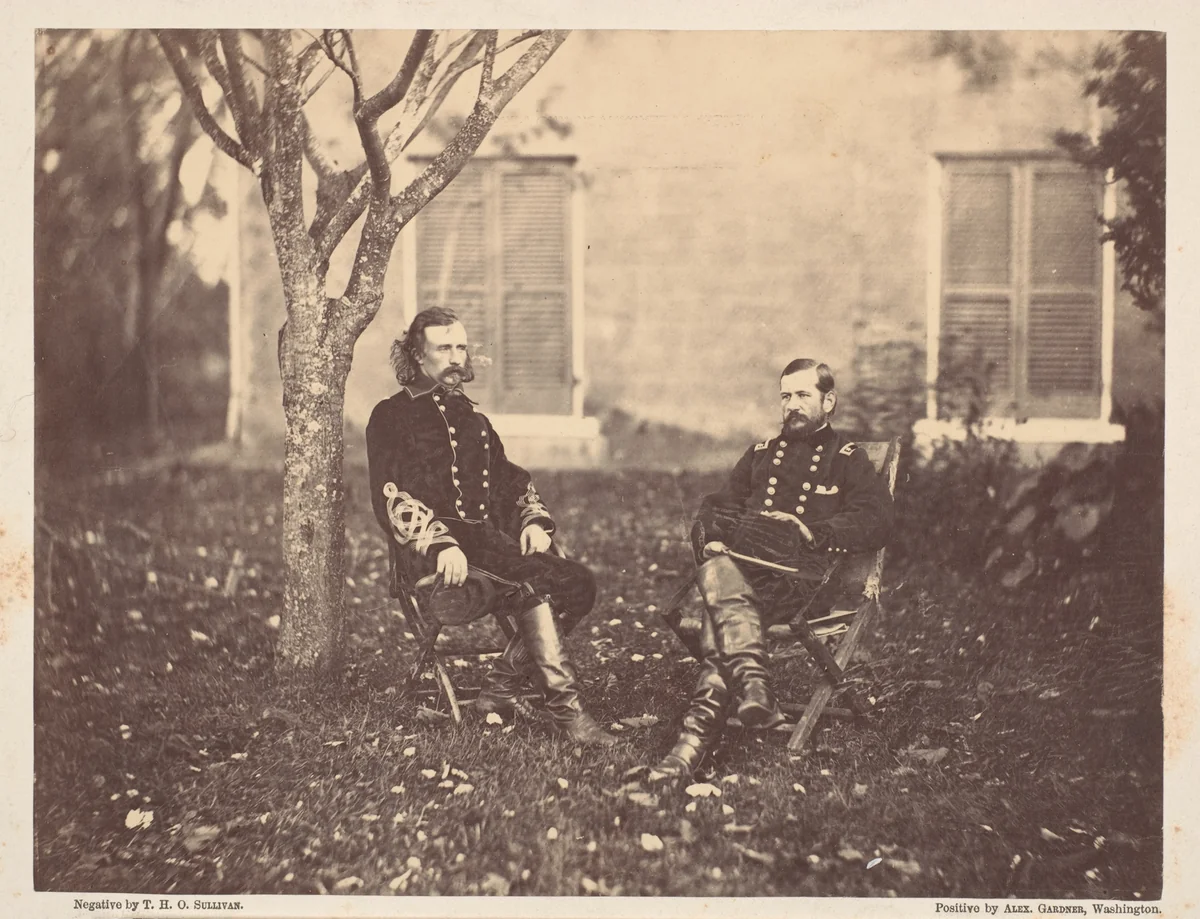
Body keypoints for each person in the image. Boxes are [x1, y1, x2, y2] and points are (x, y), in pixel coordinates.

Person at [366, 307, 616, 747]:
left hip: (487, 547)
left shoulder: (474, 421)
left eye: (461, 347)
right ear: (416, 355)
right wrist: (440, 544)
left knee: (579, 583)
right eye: (444, 348)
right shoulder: (392, 416)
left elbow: (508, 480)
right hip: (432, 559)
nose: (456, 358)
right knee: (534, 583)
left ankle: (497, 692)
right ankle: (568, 713)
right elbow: (391, 495)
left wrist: (532, 519)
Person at [651, 358, 894, 778]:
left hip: (802, 585)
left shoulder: (847, 458)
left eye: (803, 395)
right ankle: (752, 687)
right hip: (745, 573)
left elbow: (877, 518)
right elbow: (718, 506)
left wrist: (812, 530)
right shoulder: (761, 454)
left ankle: (690, 747)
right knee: (719, 572)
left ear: (828, 400)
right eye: (786, 396)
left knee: (719, 602)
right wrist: (711, 534)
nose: (792, 405)